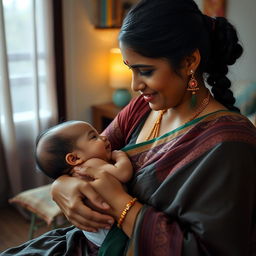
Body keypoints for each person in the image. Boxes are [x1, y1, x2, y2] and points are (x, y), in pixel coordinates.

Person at [1, 0, 256, 255]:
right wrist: (60, 185)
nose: (135, 85)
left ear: (190, 61)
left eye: (145, 71)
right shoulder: (140, 110)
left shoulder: (230, 143)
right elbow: (89, 155)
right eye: (131, 69)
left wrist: (121, 202)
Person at [35, 120, 133, 247]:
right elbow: (123, 174)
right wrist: (121, 157)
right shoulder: (92, 164)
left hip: (94, 234)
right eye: (94, 137)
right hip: (113, 230)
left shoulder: (76, 174)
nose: (104, 137)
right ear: (74, 158)